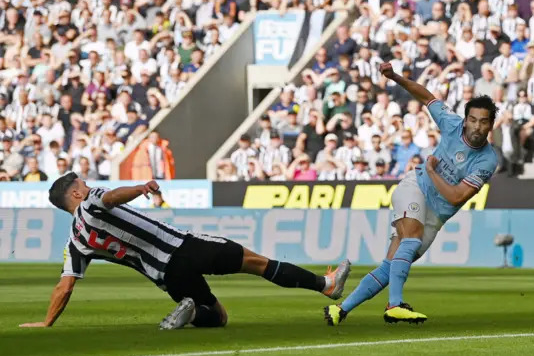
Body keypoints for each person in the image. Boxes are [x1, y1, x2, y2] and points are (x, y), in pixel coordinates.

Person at [20, 175, 351, 329]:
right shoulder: (92, 201)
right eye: (84, 183)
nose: (89, 185)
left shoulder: (75, 241)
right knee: (257, 263)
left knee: (218, 317)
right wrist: (140, 187)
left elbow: (66, 285)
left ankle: (192, 312)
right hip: (184, 248)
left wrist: (47, 322)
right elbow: (111, 198)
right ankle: (326, 285)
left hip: (166, 277)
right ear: (76, 194)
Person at [324, 62, 498, 325]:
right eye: (472, 120)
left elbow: (455, 197)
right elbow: (426, 96)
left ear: (490, 126)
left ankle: (340, 310)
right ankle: (394, 305)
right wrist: (395, 77)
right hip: (414, 187)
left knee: (390, 265)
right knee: (412, 239)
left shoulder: (487, 160)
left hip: (437, 215)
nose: (476, 127)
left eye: (483, 122)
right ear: (465, 120)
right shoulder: (452, 124)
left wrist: (433, 171)